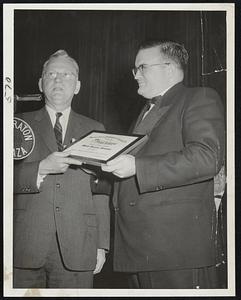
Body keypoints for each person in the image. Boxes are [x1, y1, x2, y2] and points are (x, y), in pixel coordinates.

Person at [102, 40, 225, 288]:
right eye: (135, 69)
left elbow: (207, 157)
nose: (136, 75)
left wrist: (137, 166)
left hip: (174, 249)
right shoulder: (145, 111)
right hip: (138, 248)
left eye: (142, 67)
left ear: (169, 68)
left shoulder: (199, 97)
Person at [13, 50, 110, 288]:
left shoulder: (96, 130)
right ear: (40, 83)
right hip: (22, 244)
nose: (58, 80)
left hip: (79, 244)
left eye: (66, 75)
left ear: (77, 86)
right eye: (51, 74)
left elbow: (101, 191)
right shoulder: (15, 124)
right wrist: (40, 169)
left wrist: (101, 244)